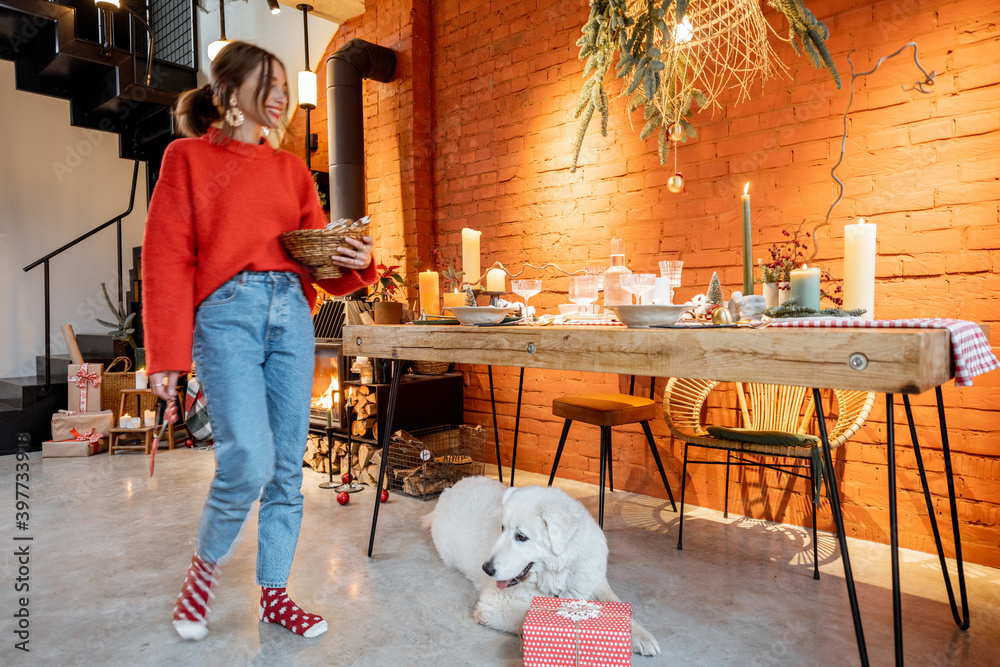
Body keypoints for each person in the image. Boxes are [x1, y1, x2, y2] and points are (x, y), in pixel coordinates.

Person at [142, 41, 376, 641]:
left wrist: (357, 260)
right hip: (227, 316)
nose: (281, 96)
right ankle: (203, 570)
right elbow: (167, 260)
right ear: (228, 94)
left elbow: (316, 257)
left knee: (285, 473)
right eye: (267, 83)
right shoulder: (185, 159)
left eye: (283, 85)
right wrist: (166, 356)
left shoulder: (292, 170)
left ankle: (275, 593)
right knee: (247, 457)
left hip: (293, 317)